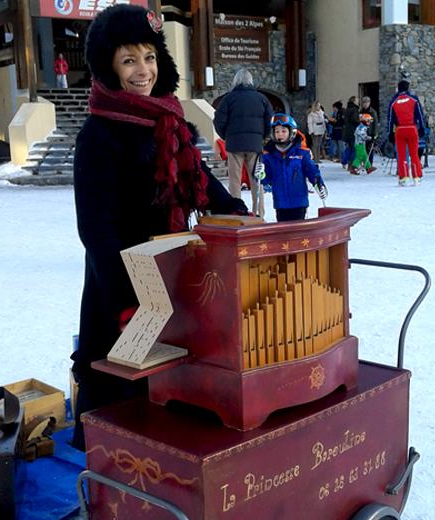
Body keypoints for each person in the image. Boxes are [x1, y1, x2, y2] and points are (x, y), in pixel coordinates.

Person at [71, 5, 249, 451]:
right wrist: (129, 296)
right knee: (121, 380)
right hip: (120, 279)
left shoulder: (170, 122)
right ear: (109, 66)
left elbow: (203, 183)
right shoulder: (98, 134)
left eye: (149, 57)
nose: (142, 70)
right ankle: (111, 463)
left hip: (173, 269)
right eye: (128, 60)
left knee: (172, 375)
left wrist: (239, 213)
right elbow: (95, 229)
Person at [213, 68, 273, 217]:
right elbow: (269, 120)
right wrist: (262, 136)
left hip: (234, 145)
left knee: (235, 180)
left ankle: (236, 211)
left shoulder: (228, 98)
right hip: (255, 144)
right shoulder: (262, 99)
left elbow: (218, 120)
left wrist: (226, 136)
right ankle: (259, 213)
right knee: (256, 179)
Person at [255, 113, 327, 223]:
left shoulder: (302, 153)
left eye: (284, 131)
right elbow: (266, 180)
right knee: (284, 233)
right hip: (281, 203)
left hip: (299, 202)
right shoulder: (268, 155)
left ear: (291, 132)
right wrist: (261, 174)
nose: (280, 134)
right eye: (277, 131)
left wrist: (319, 184)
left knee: (298, 231)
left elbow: (312, 172)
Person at [387, 80, 425, 186]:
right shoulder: (414, 99)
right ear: (408, 88)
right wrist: (422, 128)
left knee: (402, 155)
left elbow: (390, 119)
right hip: (412, 128)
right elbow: (420, 115)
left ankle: (403, 177)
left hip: (400, 130)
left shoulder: (393, 101)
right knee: (414, 154)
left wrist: (390, 133)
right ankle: (417, 177)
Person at [342, 95, 360, 169]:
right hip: (353, 131)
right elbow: (354, 120)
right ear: (354, 101)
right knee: (354, 148)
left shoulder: (347, 109)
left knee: (349, 148)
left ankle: (344, 161)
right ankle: (352, 165)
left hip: (347, 131)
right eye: (357, 100)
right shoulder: (354, 109)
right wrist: (360, 121)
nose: (358, 101)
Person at [360, 96, 378, 164]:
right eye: (364, 102)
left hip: (370, 132)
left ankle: (370, 163)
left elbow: (375, 123)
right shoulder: (361, 111)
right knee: (363, 149)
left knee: (369, 148)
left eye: (366, 102)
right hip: (362, 132)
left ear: (369, 103)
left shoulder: (372, 112)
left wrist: (374, 134)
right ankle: (364, 162)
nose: (365, 104)